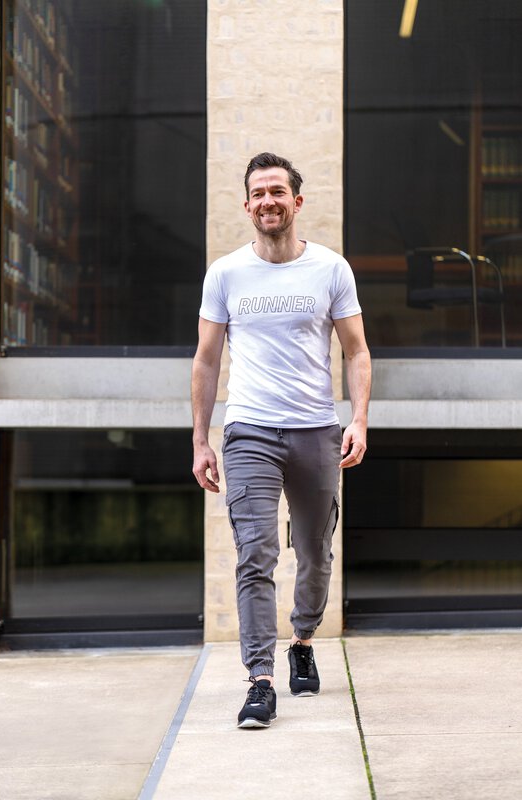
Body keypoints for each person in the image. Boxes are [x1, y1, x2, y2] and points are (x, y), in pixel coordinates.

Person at [192, 152, 371, 729]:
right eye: (258, 193)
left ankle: (302, 640)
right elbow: (206, 359)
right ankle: (260, 681)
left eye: (277, 191)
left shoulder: (331, 269)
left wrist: (358, 419)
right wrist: (201, 440)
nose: (267, 201)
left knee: (315, 552)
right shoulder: (225, 274)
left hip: (316, 429)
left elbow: (356, 351)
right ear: (246, 206)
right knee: (256, 552)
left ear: (296, 200)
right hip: (249, 431)